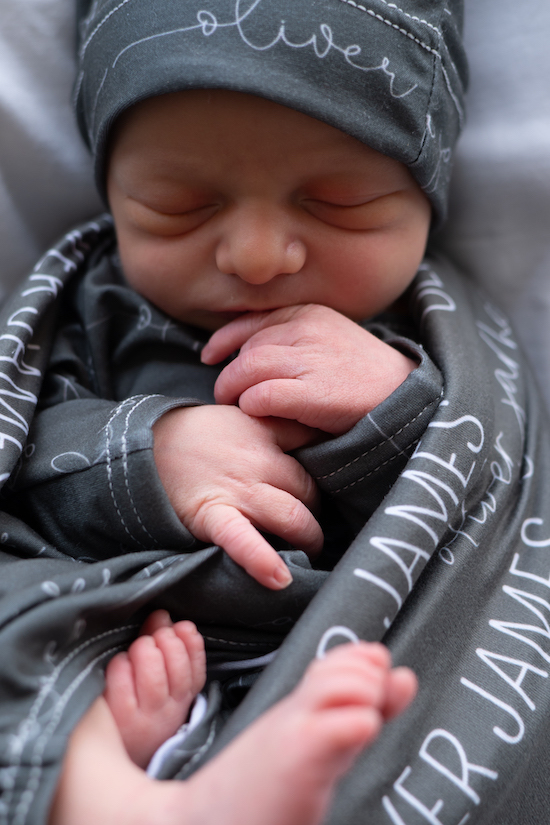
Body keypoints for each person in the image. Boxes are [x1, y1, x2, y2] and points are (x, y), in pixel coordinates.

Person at [0, 1, 479, 823]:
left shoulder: (436, 338)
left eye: (339, 201)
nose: (256, 255)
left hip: (347, 649)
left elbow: (492, 494)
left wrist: (394, 410)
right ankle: (125, 794)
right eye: (178, 204)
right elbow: (22, 464)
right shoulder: (98, 306)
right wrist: (149, 455)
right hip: (98, 638)